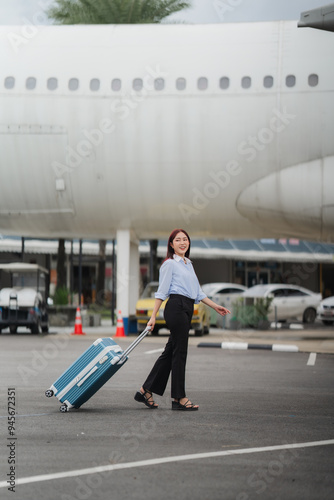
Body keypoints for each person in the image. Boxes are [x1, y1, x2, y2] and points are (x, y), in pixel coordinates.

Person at [134, 229, 231, 411]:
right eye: (177, 240)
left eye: (185, 239)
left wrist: (215, 306)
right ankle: (178, 398)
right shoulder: (169, 264)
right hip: (176, 307)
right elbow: (162, 292)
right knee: (180, 353)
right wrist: (153, 316)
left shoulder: (188, 264)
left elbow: (198, 292)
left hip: (187, 307)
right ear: (171, 245)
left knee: (170, 352)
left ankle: (145, 390)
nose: (182, 242)